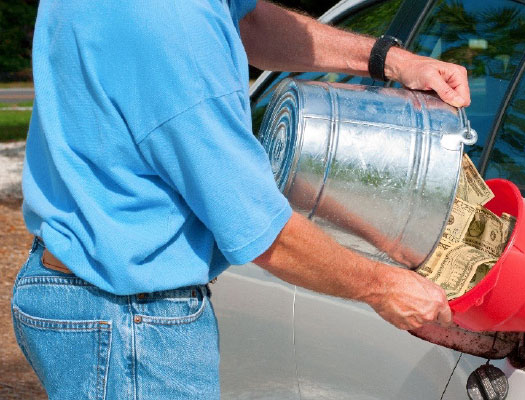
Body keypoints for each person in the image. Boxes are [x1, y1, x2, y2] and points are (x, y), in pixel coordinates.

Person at [11, 0, 471, 398]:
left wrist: (391, 61)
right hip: (131, 322)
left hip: (77, 289)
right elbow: (259, 229)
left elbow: (248, 21)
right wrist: (384, 287)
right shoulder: (175, 34)